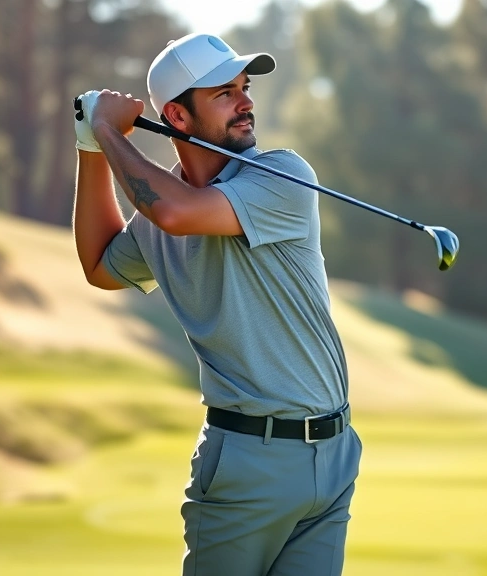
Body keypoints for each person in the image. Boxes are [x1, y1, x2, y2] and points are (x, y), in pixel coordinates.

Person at [72, 33, 361, 576]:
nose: (247, 102)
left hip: (335, 452)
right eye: (224, 93)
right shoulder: (160, 216)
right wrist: (93, 144)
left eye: (245, 88)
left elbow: (181, 211)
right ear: (177, 117)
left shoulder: (282, 177)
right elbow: (101, 266)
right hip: (250, 459)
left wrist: (109, 130)